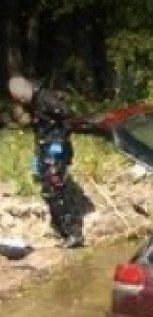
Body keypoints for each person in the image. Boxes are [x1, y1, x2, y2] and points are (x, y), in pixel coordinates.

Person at [7, 76, 84, 248]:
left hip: (55, 147)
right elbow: (39, 126)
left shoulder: (46, 99)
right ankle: (60, 229)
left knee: (56, 189)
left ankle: (73, 233)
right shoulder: (33, 102)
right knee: (48, 189)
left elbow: (69, 119)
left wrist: (59, 141)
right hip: (45, 147)